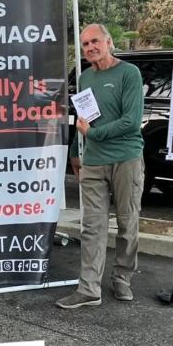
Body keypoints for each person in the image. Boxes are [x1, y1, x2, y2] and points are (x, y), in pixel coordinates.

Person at [56, 23, 144, 309]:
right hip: (93, 161)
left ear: (109, 42)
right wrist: (75, 153)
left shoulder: (129, 74)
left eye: (95, 41)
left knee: (127, 222)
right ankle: (89, 288)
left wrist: (93, 135)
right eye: (85, 44)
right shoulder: (84, 80)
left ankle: (122, 277)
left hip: (126, 159)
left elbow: (130, 122)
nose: (90, 47)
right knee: (92, 226)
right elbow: (83, 122)